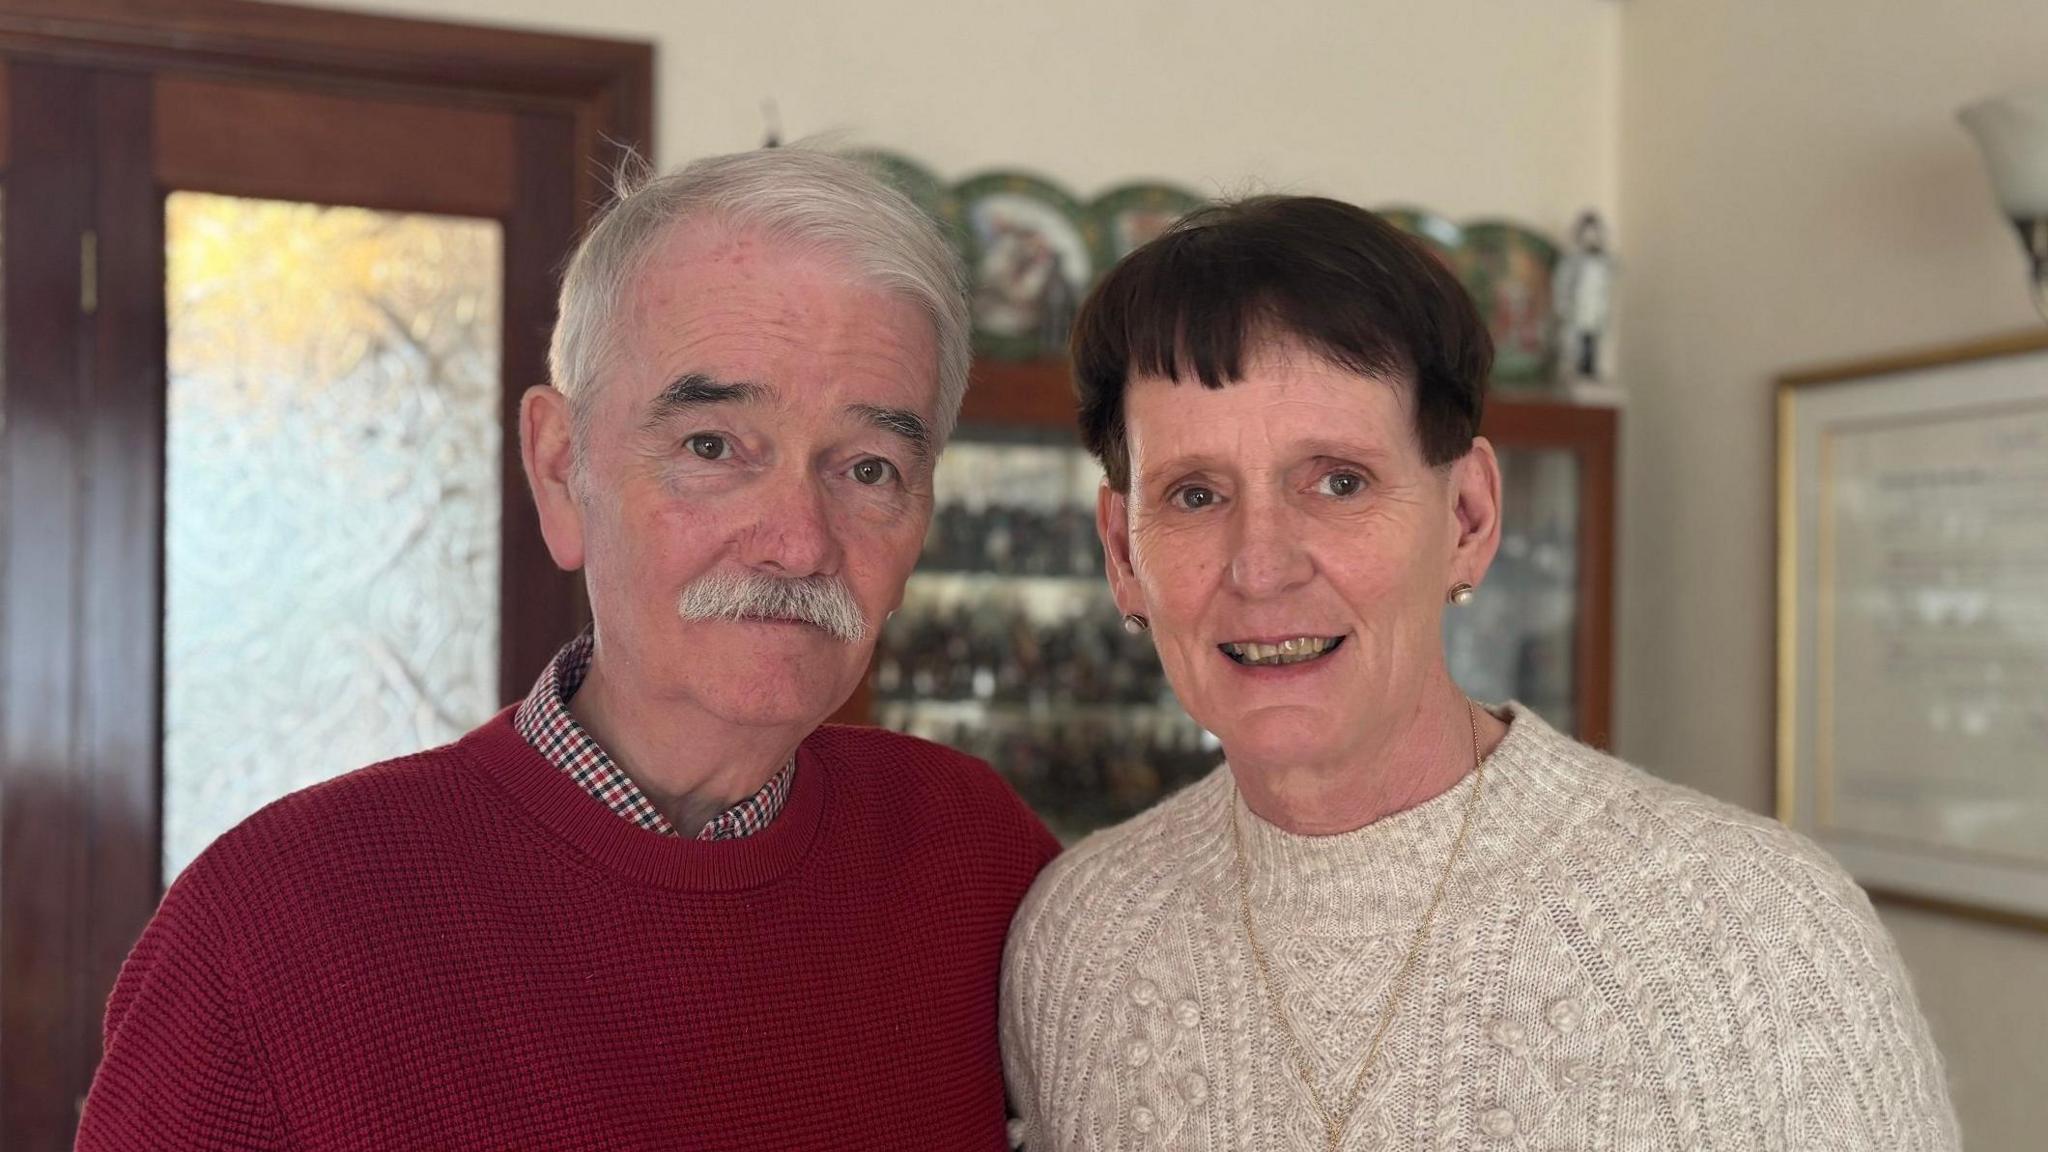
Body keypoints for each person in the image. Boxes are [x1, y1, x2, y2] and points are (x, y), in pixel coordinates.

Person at [78, 148, 1059, 1150]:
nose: (799, 541)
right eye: (712, 446)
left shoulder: (971, 857)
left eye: (868, 467)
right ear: (559, 469)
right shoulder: (274, 926)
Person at [1000, 196, 1958, 1152]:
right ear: (1123, 555)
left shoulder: (1755, 938)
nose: (1261, 566)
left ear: (1467, 517)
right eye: (1195, 494)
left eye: (1338, 482)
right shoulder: (1082, 942)